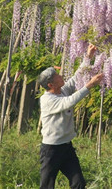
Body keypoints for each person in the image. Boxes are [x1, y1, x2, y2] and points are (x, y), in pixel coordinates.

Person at [38, 44, 103, 189]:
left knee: (79, 183)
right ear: (51, 84)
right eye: (57, 77)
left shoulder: (62, 90)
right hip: (51, 150)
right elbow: (69, 102)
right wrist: (90, 85)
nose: (61, 77)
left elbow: (75, 78)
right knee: (47, 186)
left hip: (66, 147)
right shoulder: (47, 100)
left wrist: (88, 57)